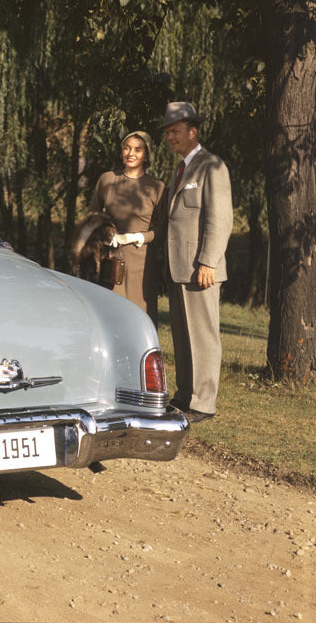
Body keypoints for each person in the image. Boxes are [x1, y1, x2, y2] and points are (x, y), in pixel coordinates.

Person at [160, 101, 233, 423]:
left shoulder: (211, 166)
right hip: (179, 267)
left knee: (202, 336)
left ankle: (203, 403)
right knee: (183, 334)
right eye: (167, 133)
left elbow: (221, 219)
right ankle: (184, 395)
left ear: (192, 131)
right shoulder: (181, 168)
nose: (170, 138)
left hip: (201, 268)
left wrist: (208, 262)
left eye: (175, 132)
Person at [89, 130, 165, 321]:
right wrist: (105, 234)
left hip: (141, 262)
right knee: (109, 312)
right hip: (110, 257)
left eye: (138, 150)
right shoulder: (107, 179)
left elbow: (163, 229)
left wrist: (139, 237)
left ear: (146, 154)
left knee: (140, 314)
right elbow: (93, 216)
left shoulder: (157, 187)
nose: (131, 153)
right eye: (127, 148)